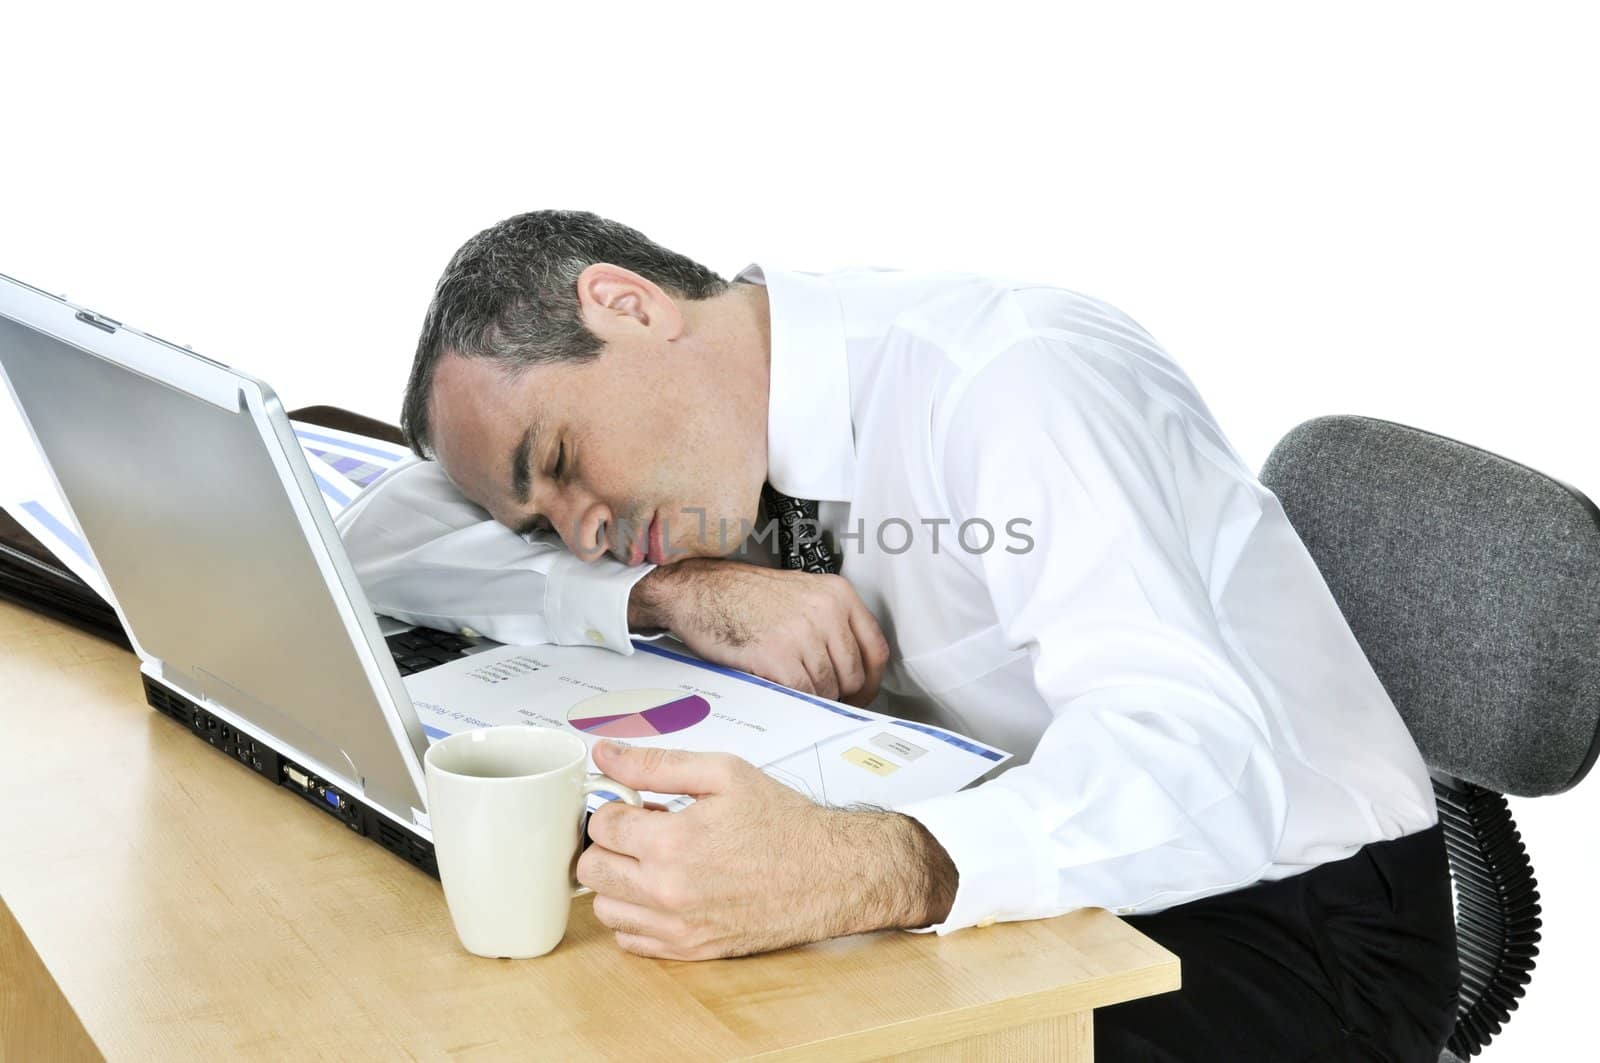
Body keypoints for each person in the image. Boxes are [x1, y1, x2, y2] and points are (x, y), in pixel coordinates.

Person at [346, 210, 1459, 1060]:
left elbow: (1200, 768)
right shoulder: (721, 464)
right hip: (1033, 860)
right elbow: (378, 540)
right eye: (541, 524)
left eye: (561, 467)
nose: (583, 537)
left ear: (628, 305)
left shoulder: (1005, 382)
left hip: (1289, 923)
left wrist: (859, 867)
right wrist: (674, 593)